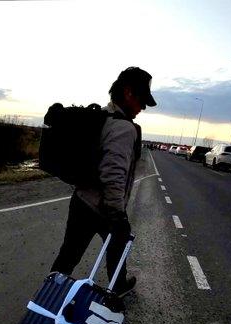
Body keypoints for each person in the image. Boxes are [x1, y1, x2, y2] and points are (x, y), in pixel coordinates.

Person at [50, 66, 156, 298]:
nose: (143, 107)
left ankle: (50, 292)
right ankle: (117, 287)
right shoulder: (124, 128)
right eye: (142, 99)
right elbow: (114, 175)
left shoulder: (103, 116)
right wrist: (117, 214)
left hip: (81, 200)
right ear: (128, 93)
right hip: (103, 207)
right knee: (119, 240)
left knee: (69, 254)